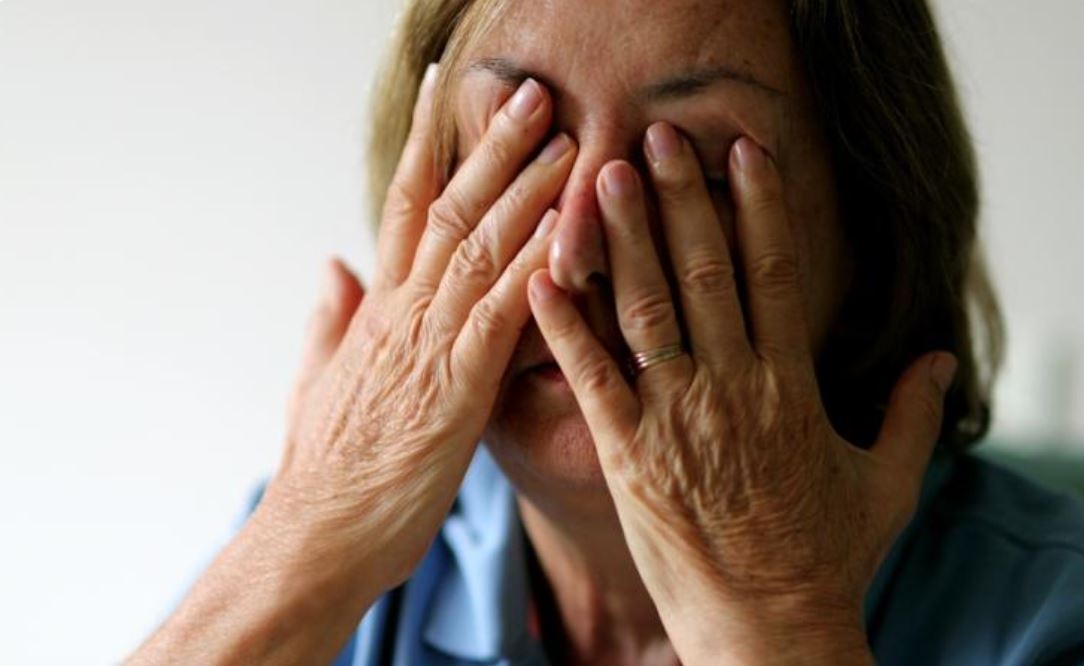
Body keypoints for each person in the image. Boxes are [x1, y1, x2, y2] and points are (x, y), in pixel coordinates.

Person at [130, 0, 1084, 664]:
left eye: (697, 174)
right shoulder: (331, 561)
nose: (577, 255)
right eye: (522, 148)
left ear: (876, 236)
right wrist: (295, 553)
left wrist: (780, 631)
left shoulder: (1051, 615)